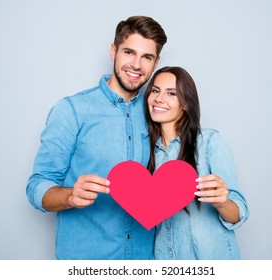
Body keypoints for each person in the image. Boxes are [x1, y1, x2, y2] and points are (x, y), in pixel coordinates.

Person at [26, 16, 167, 260]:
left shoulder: (157, 113)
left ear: (156, 63)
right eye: (129, 52)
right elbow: (37, 186)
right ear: (113, 51)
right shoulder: (72, 110)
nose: (136, 64)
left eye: (147, 57)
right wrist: (69, 196)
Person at [144, 66, 249, 259]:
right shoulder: (147, 153)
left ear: (185, 103)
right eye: (155, 90)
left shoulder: (210, 142)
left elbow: (238, 214)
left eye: (172, 93)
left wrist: (221, 201)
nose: (159, 99)